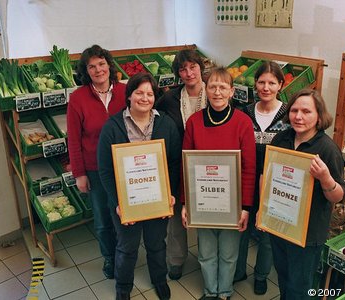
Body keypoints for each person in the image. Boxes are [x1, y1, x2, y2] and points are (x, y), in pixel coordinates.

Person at [97, 73, 181, 300]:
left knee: (156, 243)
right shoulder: (113, 127)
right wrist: (118, 202)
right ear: (129, 96)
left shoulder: (166, 123)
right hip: (126, 202)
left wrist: (170, 193)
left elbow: (173, 163)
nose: (144, 98)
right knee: (127, 246)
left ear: (155, 97)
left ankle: (159, 279)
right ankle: (123, 286)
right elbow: (105, 170)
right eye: (139, 92)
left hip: (157, 198)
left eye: (150, 94)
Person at [181, 67, 256, 300]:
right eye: (212, 86)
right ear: (206, 89)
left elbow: (249, 168)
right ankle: (209, 290)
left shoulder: (243, 122)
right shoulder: (194, 122)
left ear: (232, 91)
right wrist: (186, 203)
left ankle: (224, 291)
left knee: (229, 252)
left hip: (232, 203)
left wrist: (245, 207)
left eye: (223, 87)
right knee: (205, 251)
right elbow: (187, 165)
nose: (217, 91)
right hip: (202, 200)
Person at [268, 89, 345, 300]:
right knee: (284, 278)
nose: (298, 116)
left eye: (306, 111)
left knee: (300, 287)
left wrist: (325, 178)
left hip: (308, 234)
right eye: (294, 110)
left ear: (319, 116)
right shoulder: (281, 138)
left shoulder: (327, 149)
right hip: (281, 226)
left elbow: (338, 196)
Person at [67, 44, 126, 279]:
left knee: (125, 214)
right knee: (103, 219)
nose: (98, 70)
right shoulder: (78, 98)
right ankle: (110, 258)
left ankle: (125, 252)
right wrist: (79, 173)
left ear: (109, 66)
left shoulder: (125, 91)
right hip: (95, 169)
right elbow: (73, 138)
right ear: (86, 71)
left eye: (101, 64)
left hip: (125, 166)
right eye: (92, 66)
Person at [234, 61, 290, 295]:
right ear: (255, 84)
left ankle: (261, 275)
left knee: (268, 231)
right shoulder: (244, 112)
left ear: (280, 85)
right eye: (261, 82)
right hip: (245, 179)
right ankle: (237, 271)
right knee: (241, 227)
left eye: (271, 83)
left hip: (274, 183)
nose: (266, 87)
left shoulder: (289, 113)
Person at [156, 49, 207, 280]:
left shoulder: (216, 91)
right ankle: (176, 258)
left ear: (200, 67)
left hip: (209, 165)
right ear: (178, 73)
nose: (188, 73)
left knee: (208, 208)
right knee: (176, 213)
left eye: (192, 67)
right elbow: (153, 117)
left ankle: (208, 258)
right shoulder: (170, 98)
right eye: (183, 69)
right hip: (178, 164)